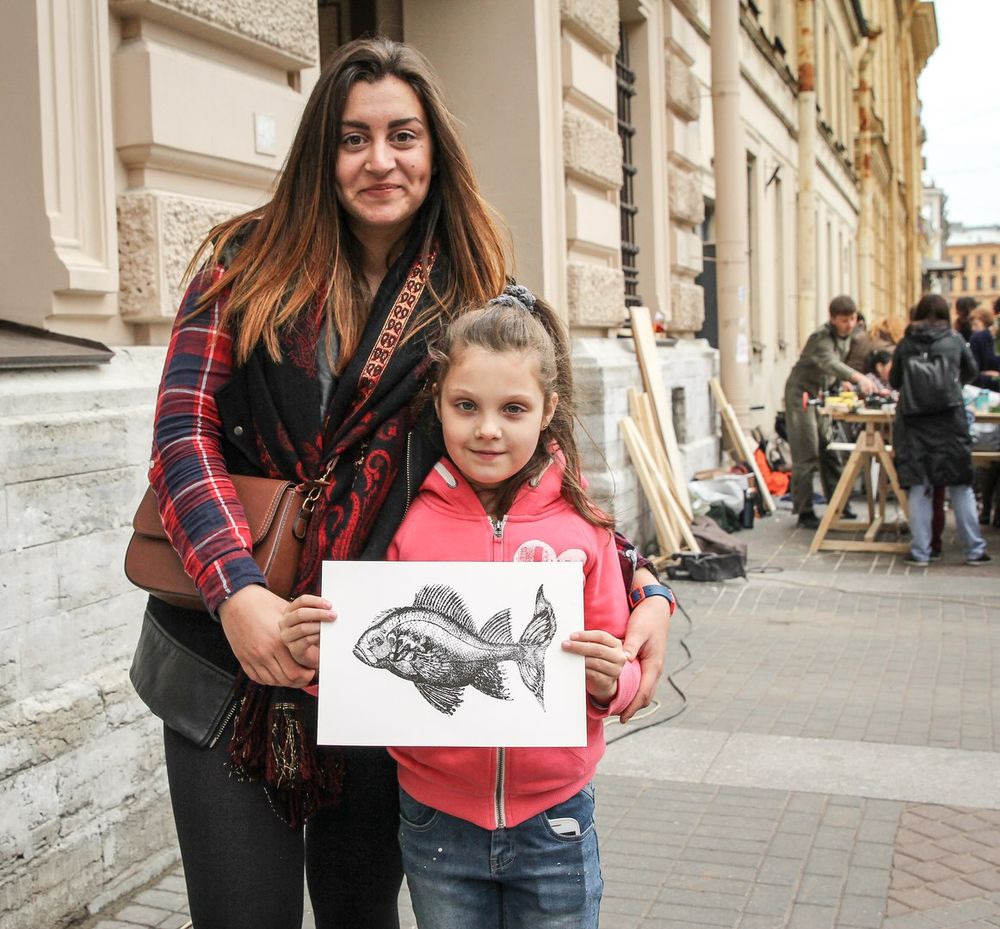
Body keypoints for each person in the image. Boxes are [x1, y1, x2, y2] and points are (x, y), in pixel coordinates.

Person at [133, 36, 670, 929]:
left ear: (434, 148)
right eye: (354, 138)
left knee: (360, 910)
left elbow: (546, 476)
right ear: (323, 152)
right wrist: (237, 593)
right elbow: (181, 433)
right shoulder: (242, 264)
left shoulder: (483, 295)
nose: (379, 159)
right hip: (228, 656)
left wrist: (645, 586)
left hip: (387, 662)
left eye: (403, 135)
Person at [282, 291, 650, 928]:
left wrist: (609, 682)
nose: (488, 429)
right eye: (466, 406)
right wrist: (322, 660)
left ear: (549, 410)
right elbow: (370, 672)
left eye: (514, 409)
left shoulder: (584, 528)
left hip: (557, 818)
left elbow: (624, 664)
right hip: (435, 820)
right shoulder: (406, 522)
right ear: (438, 406)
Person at [890, 294, 990, 567]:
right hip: (950, 421)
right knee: (960, 485)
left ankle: (921, 552)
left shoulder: (906, 343)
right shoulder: (954, 340)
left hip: (914, 422)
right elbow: (972, 371)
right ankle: (975, 550)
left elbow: (895, 380)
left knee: (919, 487)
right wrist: (953, 387)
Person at [783, 295, 876, 529]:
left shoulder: (848, 336)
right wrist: (857, 378)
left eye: (852, 319)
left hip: (822, 394)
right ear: (832, 319)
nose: (849, 324)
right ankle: (804, 510)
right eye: (844, 320)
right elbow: (829, 362)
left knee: (829, 448)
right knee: (806, 451)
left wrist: (840, 383)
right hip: (802, 395)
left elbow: (835, 368)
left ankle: (839, 503)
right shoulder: (820, 337)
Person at [968, 305, 1000, 389]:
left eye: (975, 325)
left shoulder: (977, 338)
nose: (973, 328)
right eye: (972, 325)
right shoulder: (978, 339)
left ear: (985, 323)